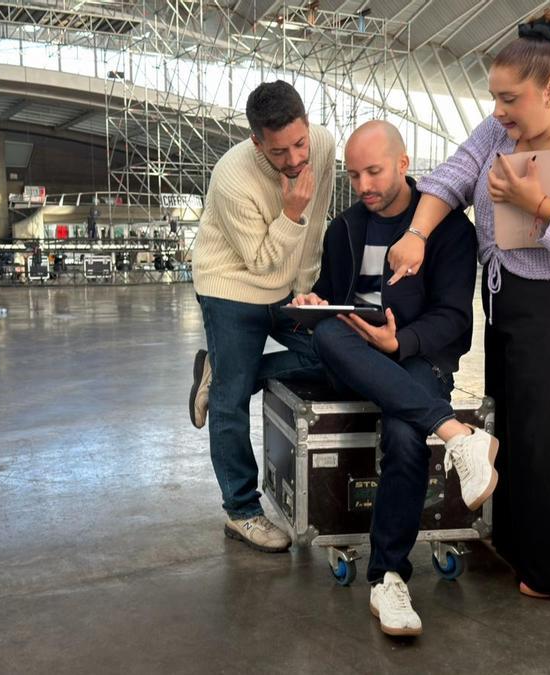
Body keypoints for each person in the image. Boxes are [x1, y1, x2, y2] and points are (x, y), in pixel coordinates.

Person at [386, 8, 550, 599]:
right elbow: (455, 174)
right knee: (516, 423)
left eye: (510, 99)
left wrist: (541, 205)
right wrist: (418, 233)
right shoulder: (499, 131)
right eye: (494, 99)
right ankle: (514, 541)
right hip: (512, 294)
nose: (499, 112)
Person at [290, 121, 494, 637]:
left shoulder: (448, 229)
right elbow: (332, 294)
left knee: (405, 437)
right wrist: (315, 301)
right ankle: (457, 434)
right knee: (329, 333)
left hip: (417, 357)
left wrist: (398, 343)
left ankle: (388, 578)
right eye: (354, 175)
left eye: (374, 172)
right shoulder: (345, 228)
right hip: (355, 356)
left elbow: (455, 320)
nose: (363, 186)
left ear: (404, 164)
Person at [187, 81, 337, 553]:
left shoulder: (322, 147)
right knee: (231, 403)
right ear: (257, 142)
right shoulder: (232, 177)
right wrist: (291, 212)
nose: (294, 160)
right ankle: (242, 511)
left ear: (307, 125)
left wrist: (306, 293)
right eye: (279, 152)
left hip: (286, 288)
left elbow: (315, 227)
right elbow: (261, 263)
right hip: (231, 286)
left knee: (337, 354)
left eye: (299, 144)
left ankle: (220, 372)